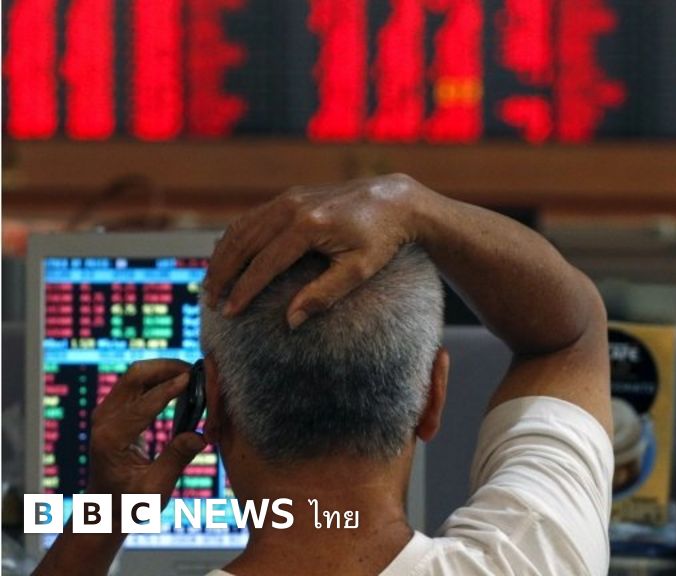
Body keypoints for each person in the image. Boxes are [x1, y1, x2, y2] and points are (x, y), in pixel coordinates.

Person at [35, 174, 613, 576]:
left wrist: (102, 520)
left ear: (215, 404)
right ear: (433, 396)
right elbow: (571, 331)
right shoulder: (535, 558)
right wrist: (413, 205)